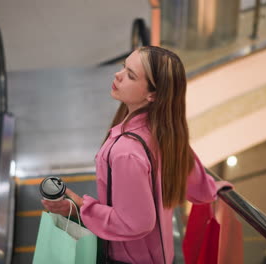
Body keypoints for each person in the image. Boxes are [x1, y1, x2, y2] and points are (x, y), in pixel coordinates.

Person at [41, 46, 232, 263]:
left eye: (130, 75)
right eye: (124, 67)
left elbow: (136, 223)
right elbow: (201, 190)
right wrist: (218, 189)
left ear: (153, 94)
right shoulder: (167, 134)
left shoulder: (127, 151)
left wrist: (80, 208)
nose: (118, 75)